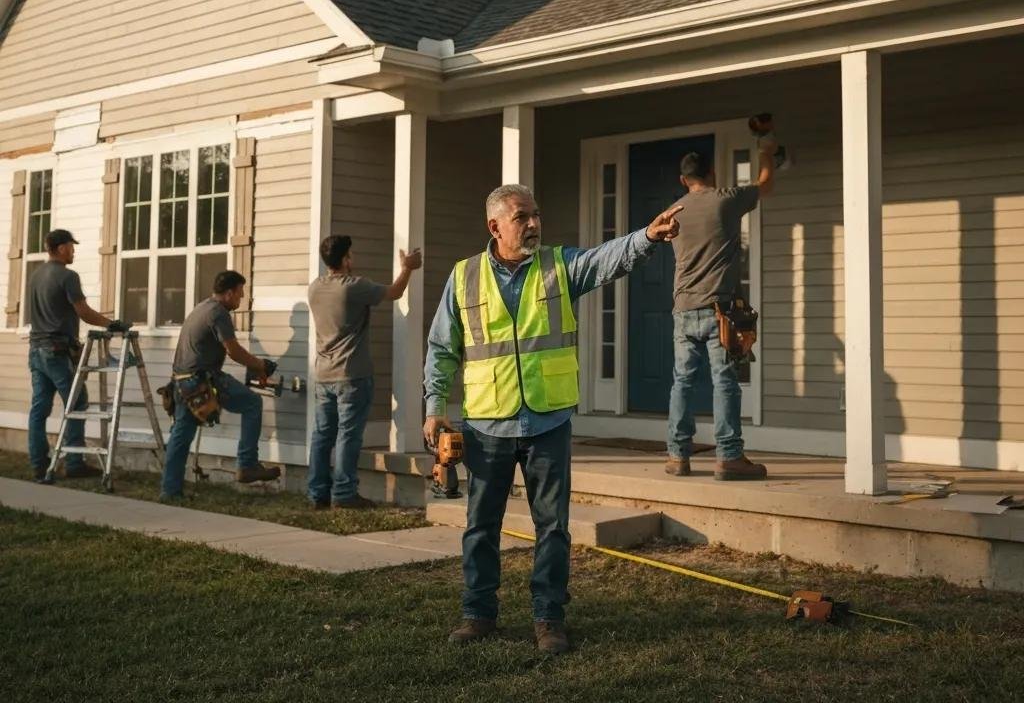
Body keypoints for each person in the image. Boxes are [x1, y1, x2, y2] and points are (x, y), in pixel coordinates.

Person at [423, 183, 682, 654]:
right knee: (481, 526)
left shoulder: (559, 266)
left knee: (554, 528)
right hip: (486, 424)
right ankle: (478, 614)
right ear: (494, 226)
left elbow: (608, 259)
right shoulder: (463, 277)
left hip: (547, 423)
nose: (534, 224)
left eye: (536, 214)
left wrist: (646, 236)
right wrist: (434, 407)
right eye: (522, 216)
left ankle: (549, 619)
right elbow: (443, 348)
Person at [665, 133, 776, 481]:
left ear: (684, 180)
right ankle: (729, 457)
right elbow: (765, 184)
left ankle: (677, 456)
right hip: (720, 311)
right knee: (724, 382)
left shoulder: (673, 212)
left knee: (681, 382)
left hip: (683, 309)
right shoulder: (726, 199)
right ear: (712, 174)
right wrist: (766, 152)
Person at [307, 234, 422, 509]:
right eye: (351, 254)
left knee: (322, 435)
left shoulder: (314, 288)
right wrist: (408, 268)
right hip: (351, 374)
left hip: (323, 374)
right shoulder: (353, 287)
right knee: (348, 434)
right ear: (346, 258)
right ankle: (344, 494)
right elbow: (394, 293)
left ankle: (317, 494)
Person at [160, 270, 280, 500]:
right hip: (201, 380)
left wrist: (256, 366)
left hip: (181, 382)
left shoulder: (202, 307)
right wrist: (260, 365)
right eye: (239, 294)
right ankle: (247, 465)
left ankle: (169, 491)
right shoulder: (219, 313)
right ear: (228, 293)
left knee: (181, 436)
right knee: (253, 403)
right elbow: (233, 350)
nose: (240, 299)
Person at [27, 228, 122, 482]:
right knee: (77, 402)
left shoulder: (36, 275)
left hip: (36, 349)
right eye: (71, 246)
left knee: (39, 409)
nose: (73, 251)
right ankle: (74, 463)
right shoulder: (68, 276)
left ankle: (38, 464)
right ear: (60, 248)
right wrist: (111, 324)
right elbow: (82, 311)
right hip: (57, 351)